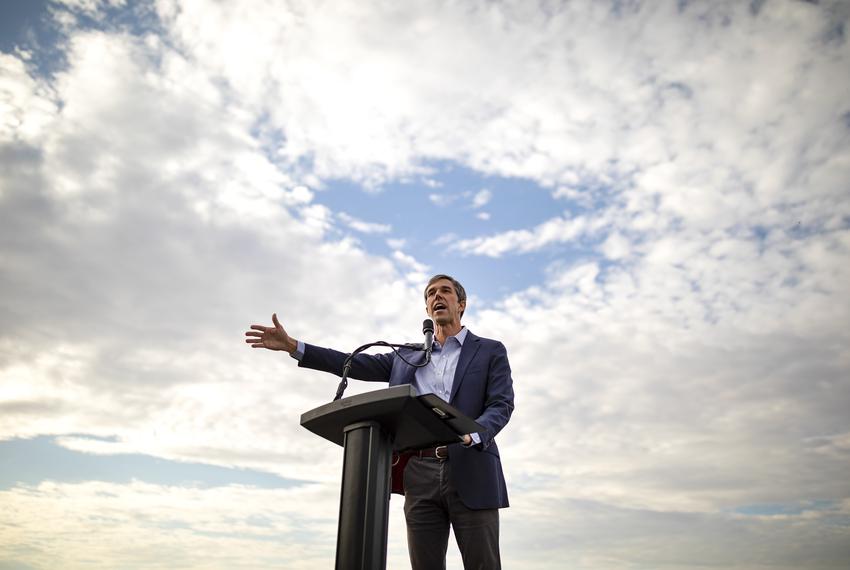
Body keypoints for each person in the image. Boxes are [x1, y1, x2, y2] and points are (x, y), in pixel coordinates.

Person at [245, 274, 514, 570]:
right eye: (431, 294)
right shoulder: (407, 355)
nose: (437, 297)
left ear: (461, 304)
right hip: (419, 473)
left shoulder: (489, 350)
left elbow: (501, 404)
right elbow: (351, 362)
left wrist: (474, 434)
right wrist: (294, 346)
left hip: (472, 468)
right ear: (427, 309)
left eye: (445, 291)